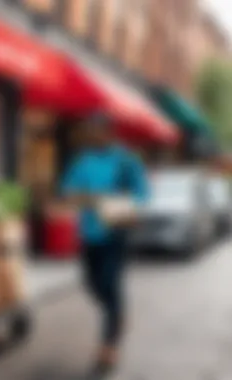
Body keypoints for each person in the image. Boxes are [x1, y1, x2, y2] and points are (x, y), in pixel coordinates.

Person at [61, 111, 149, 377]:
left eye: (97, 131)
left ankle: (108, 347)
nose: (93, 136)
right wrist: (85, 199)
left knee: (111, 284)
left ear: (110, 133)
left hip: (116, 234)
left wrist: (118, 204)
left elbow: (142, 195)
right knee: (92, 285)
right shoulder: (83, 161)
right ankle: (117, 314)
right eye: (90, 131)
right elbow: (68, 191)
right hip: (89, 235)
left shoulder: (126, 160)